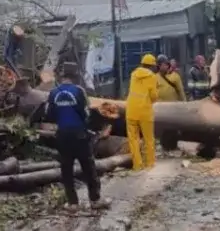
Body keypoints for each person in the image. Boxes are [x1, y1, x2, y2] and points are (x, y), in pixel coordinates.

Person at [44, 67, 110, 211]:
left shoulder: (53, 93)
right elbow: (86, 113)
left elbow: (49, 114)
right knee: (88, 167)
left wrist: (62, 119)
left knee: (66, 169)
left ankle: (73, 203)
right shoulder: (79, 91)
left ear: (61, 77)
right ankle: (95, 200)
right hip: (79, 134)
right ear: (75, 78)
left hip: (62, 135)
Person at [125, 53, 160, 170]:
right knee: (148, 139)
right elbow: (154, 96)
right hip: (145, 111)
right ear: (151, 66)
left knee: (133, 139)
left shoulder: (133, 74)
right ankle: (150, 164)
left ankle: (137, 165)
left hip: (130, 110)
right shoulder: (152, 76)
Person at [155, 55, 185, 150]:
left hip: (173, 107)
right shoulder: (154, 78)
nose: (166, 66)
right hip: (161, 108)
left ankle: (173, 145)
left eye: (167, 64)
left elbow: (181, 91)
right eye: (164, 64)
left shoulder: (175, 76)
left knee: (173, 127)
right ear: (159, 66)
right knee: (163, 127)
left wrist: (184, 104)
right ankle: (163, 144)